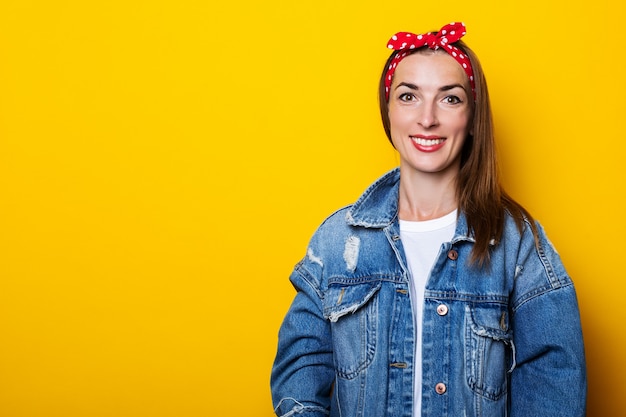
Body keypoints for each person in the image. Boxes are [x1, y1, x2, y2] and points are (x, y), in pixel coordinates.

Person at [270, 22, 587, 417]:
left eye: (450, 99)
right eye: (408, 96)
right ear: (388, 110)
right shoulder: (337, 241)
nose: (427, 118)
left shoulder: (517, 244)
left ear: (472, 118)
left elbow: (553, 379)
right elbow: (299, 372)